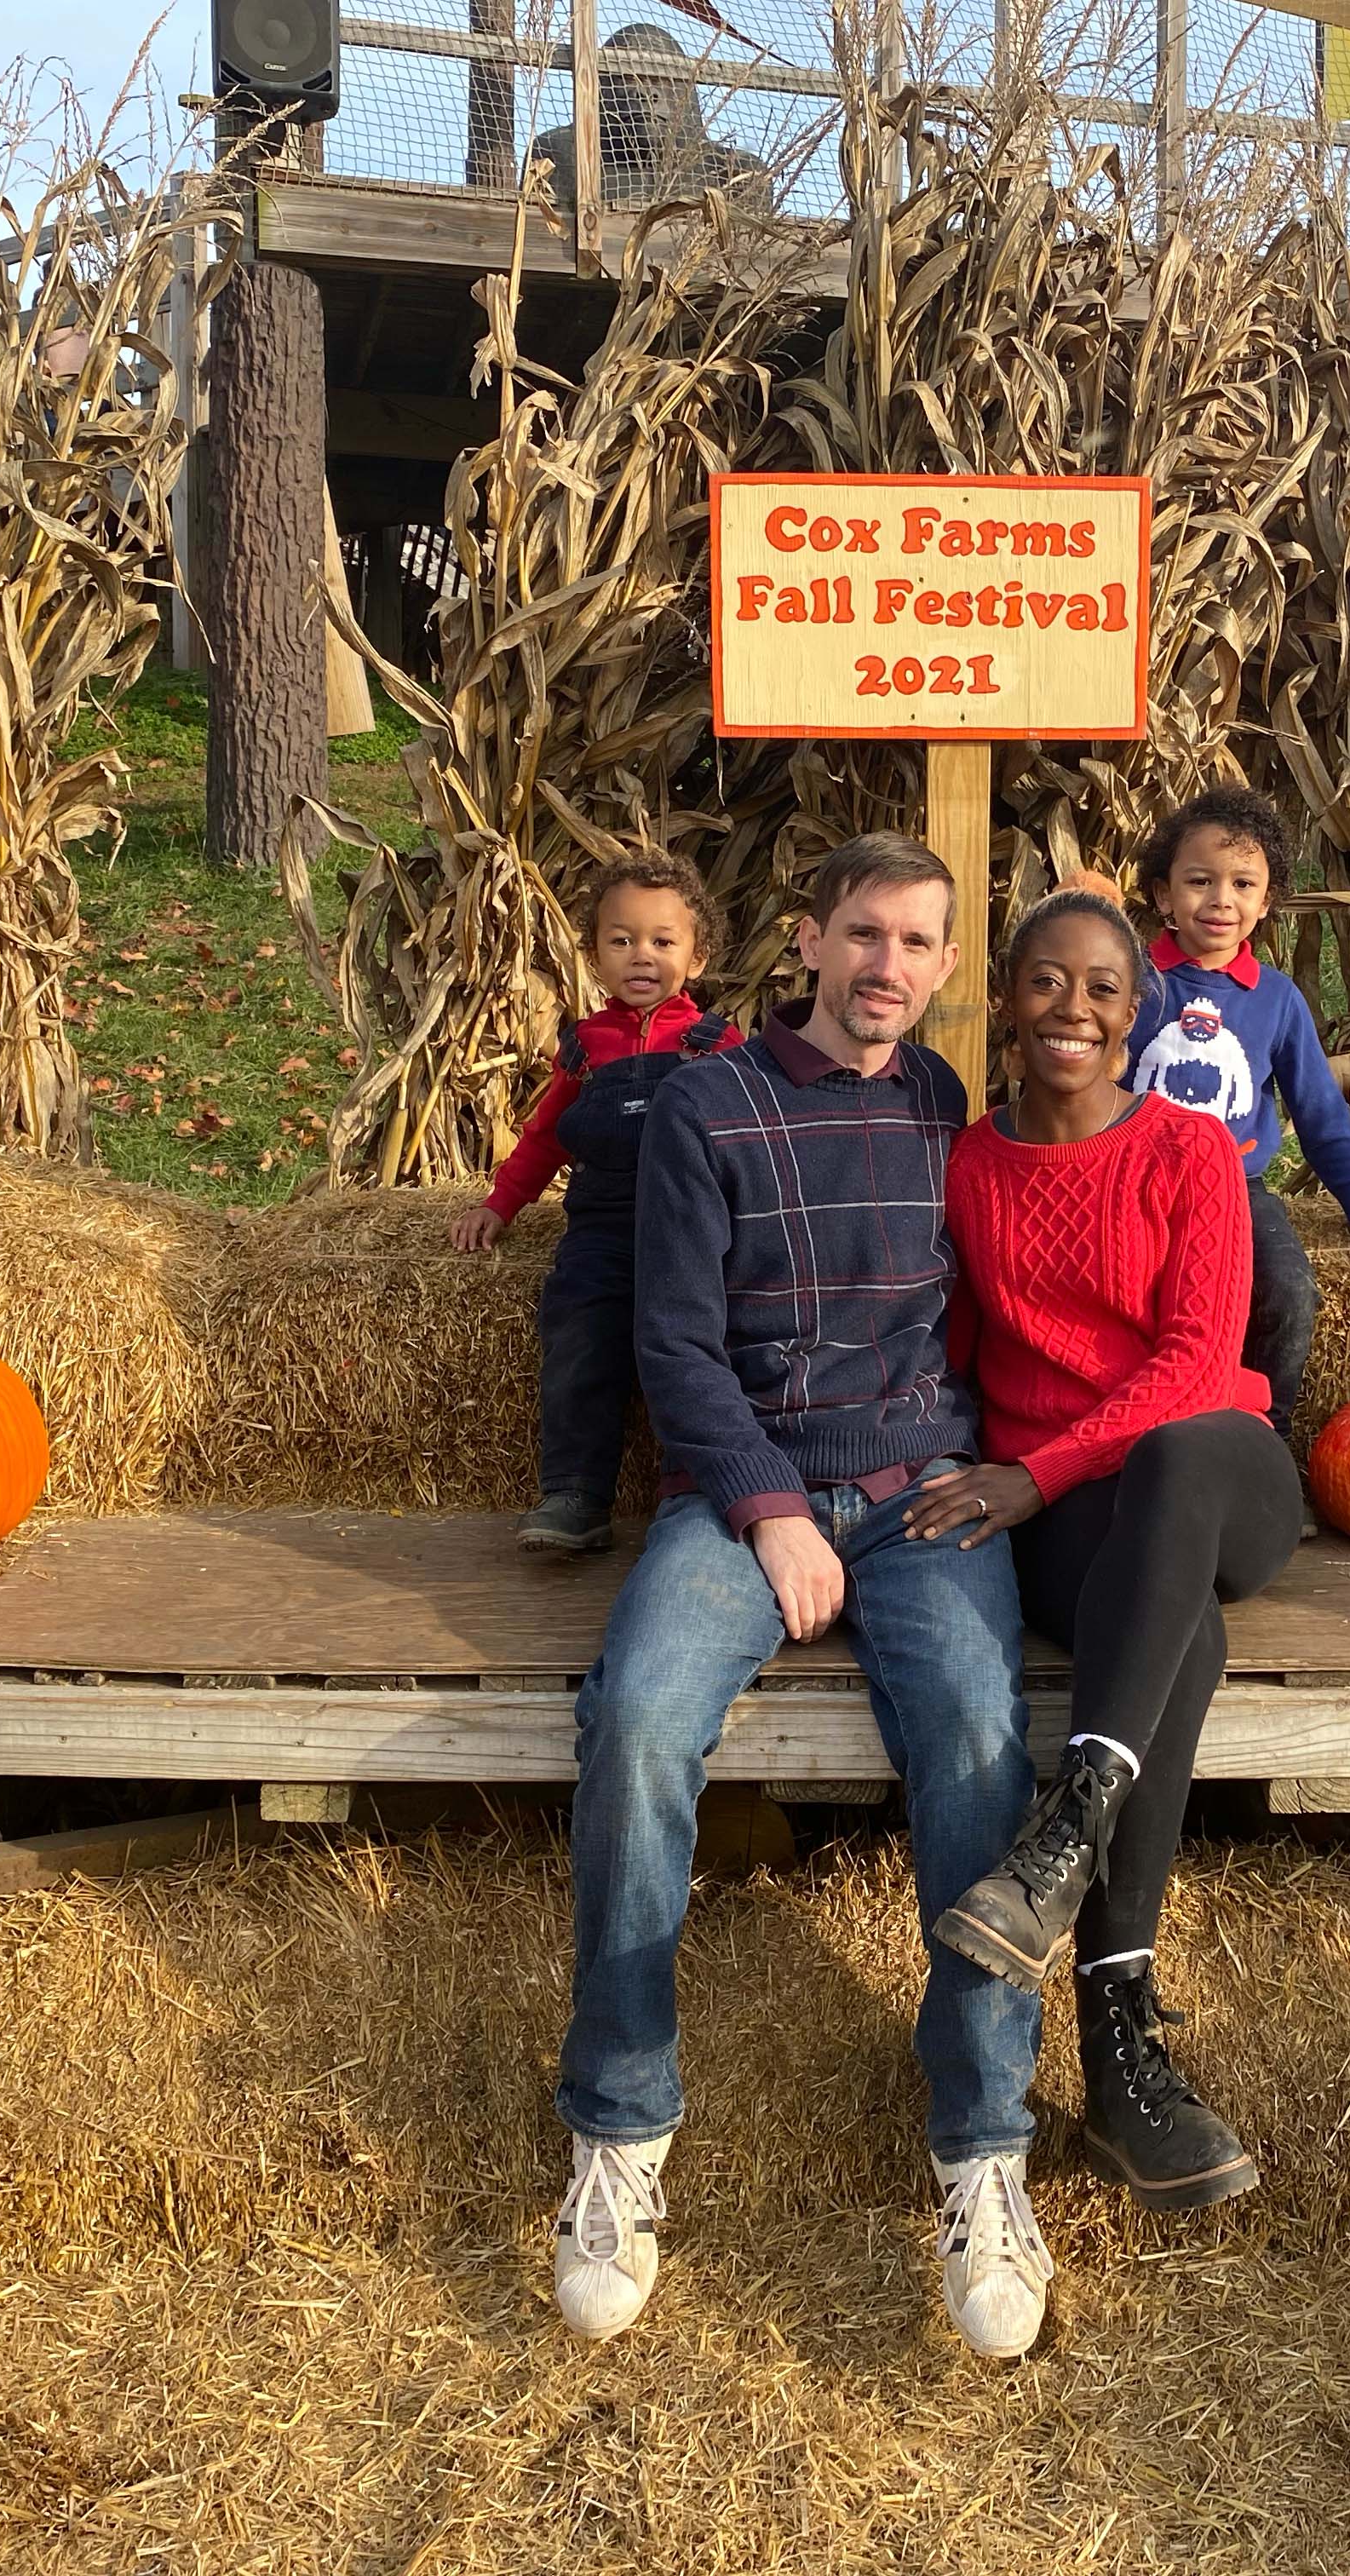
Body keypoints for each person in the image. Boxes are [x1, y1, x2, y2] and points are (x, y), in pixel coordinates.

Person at [550, 832, 1055, 2361]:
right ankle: (619, 2127)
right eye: (863, 933)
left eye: (917, 942)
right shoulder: (707, 1104)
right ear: (808, 940)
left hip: (921, 1489)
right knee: (637, 1720)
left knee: (979, 1739)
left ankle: (984, 2152)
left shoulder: (941, 1105)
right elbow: (673, 1345)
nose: (887, 965)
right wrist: (771, 1511)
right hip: (739, 1491)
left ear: (946, 967)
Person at [910, 888, 1300, 2211]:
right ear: (1005, 1002)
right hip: (1084, 1518)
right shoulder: (972, 1167)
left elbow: (1196, 1362)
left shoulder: (1190, 1150)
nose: (1070, 1008)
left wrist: (1035, 1474)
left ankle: (1070, 1825)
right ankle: (1121, 2052)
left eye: (1100, 988)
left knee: (1180, 1454)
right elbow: (956, 1349)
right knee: (1185, 1635)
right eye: (1044, 981)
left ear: (1137, 1013)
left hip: (1217, 1480)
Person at [1122, 786, 1350, 1440]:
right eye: (1200, 881)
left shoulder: (1276, 999)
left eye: (1243, 884)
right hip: (1131, 1184)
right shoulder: (1129, 983)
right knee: (1132, 1302)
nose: (1222, 899)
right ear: (1163, 895)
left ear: (1266, 903)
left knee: (1290, 1295)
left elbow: (1317, 1107)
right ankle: (1138, 1436)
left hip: (1235, 1188)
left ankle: (1263, 1438)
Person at [450, 854, 741, 1554]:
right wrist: (500, 1204)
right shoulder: (584, 1049)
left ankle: (699, 1488)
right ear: (594, 954)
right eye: (621, 939)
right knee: (579, 1332)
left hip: (691, 1229)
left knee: (699, 1346)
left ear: (696, 958)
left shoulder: (716, 1046)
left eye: (663, 941)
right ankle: (576, 1494)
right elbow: (546, 1135)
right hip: (603, 1226)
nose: (642, 955)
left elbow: (749, 1139)